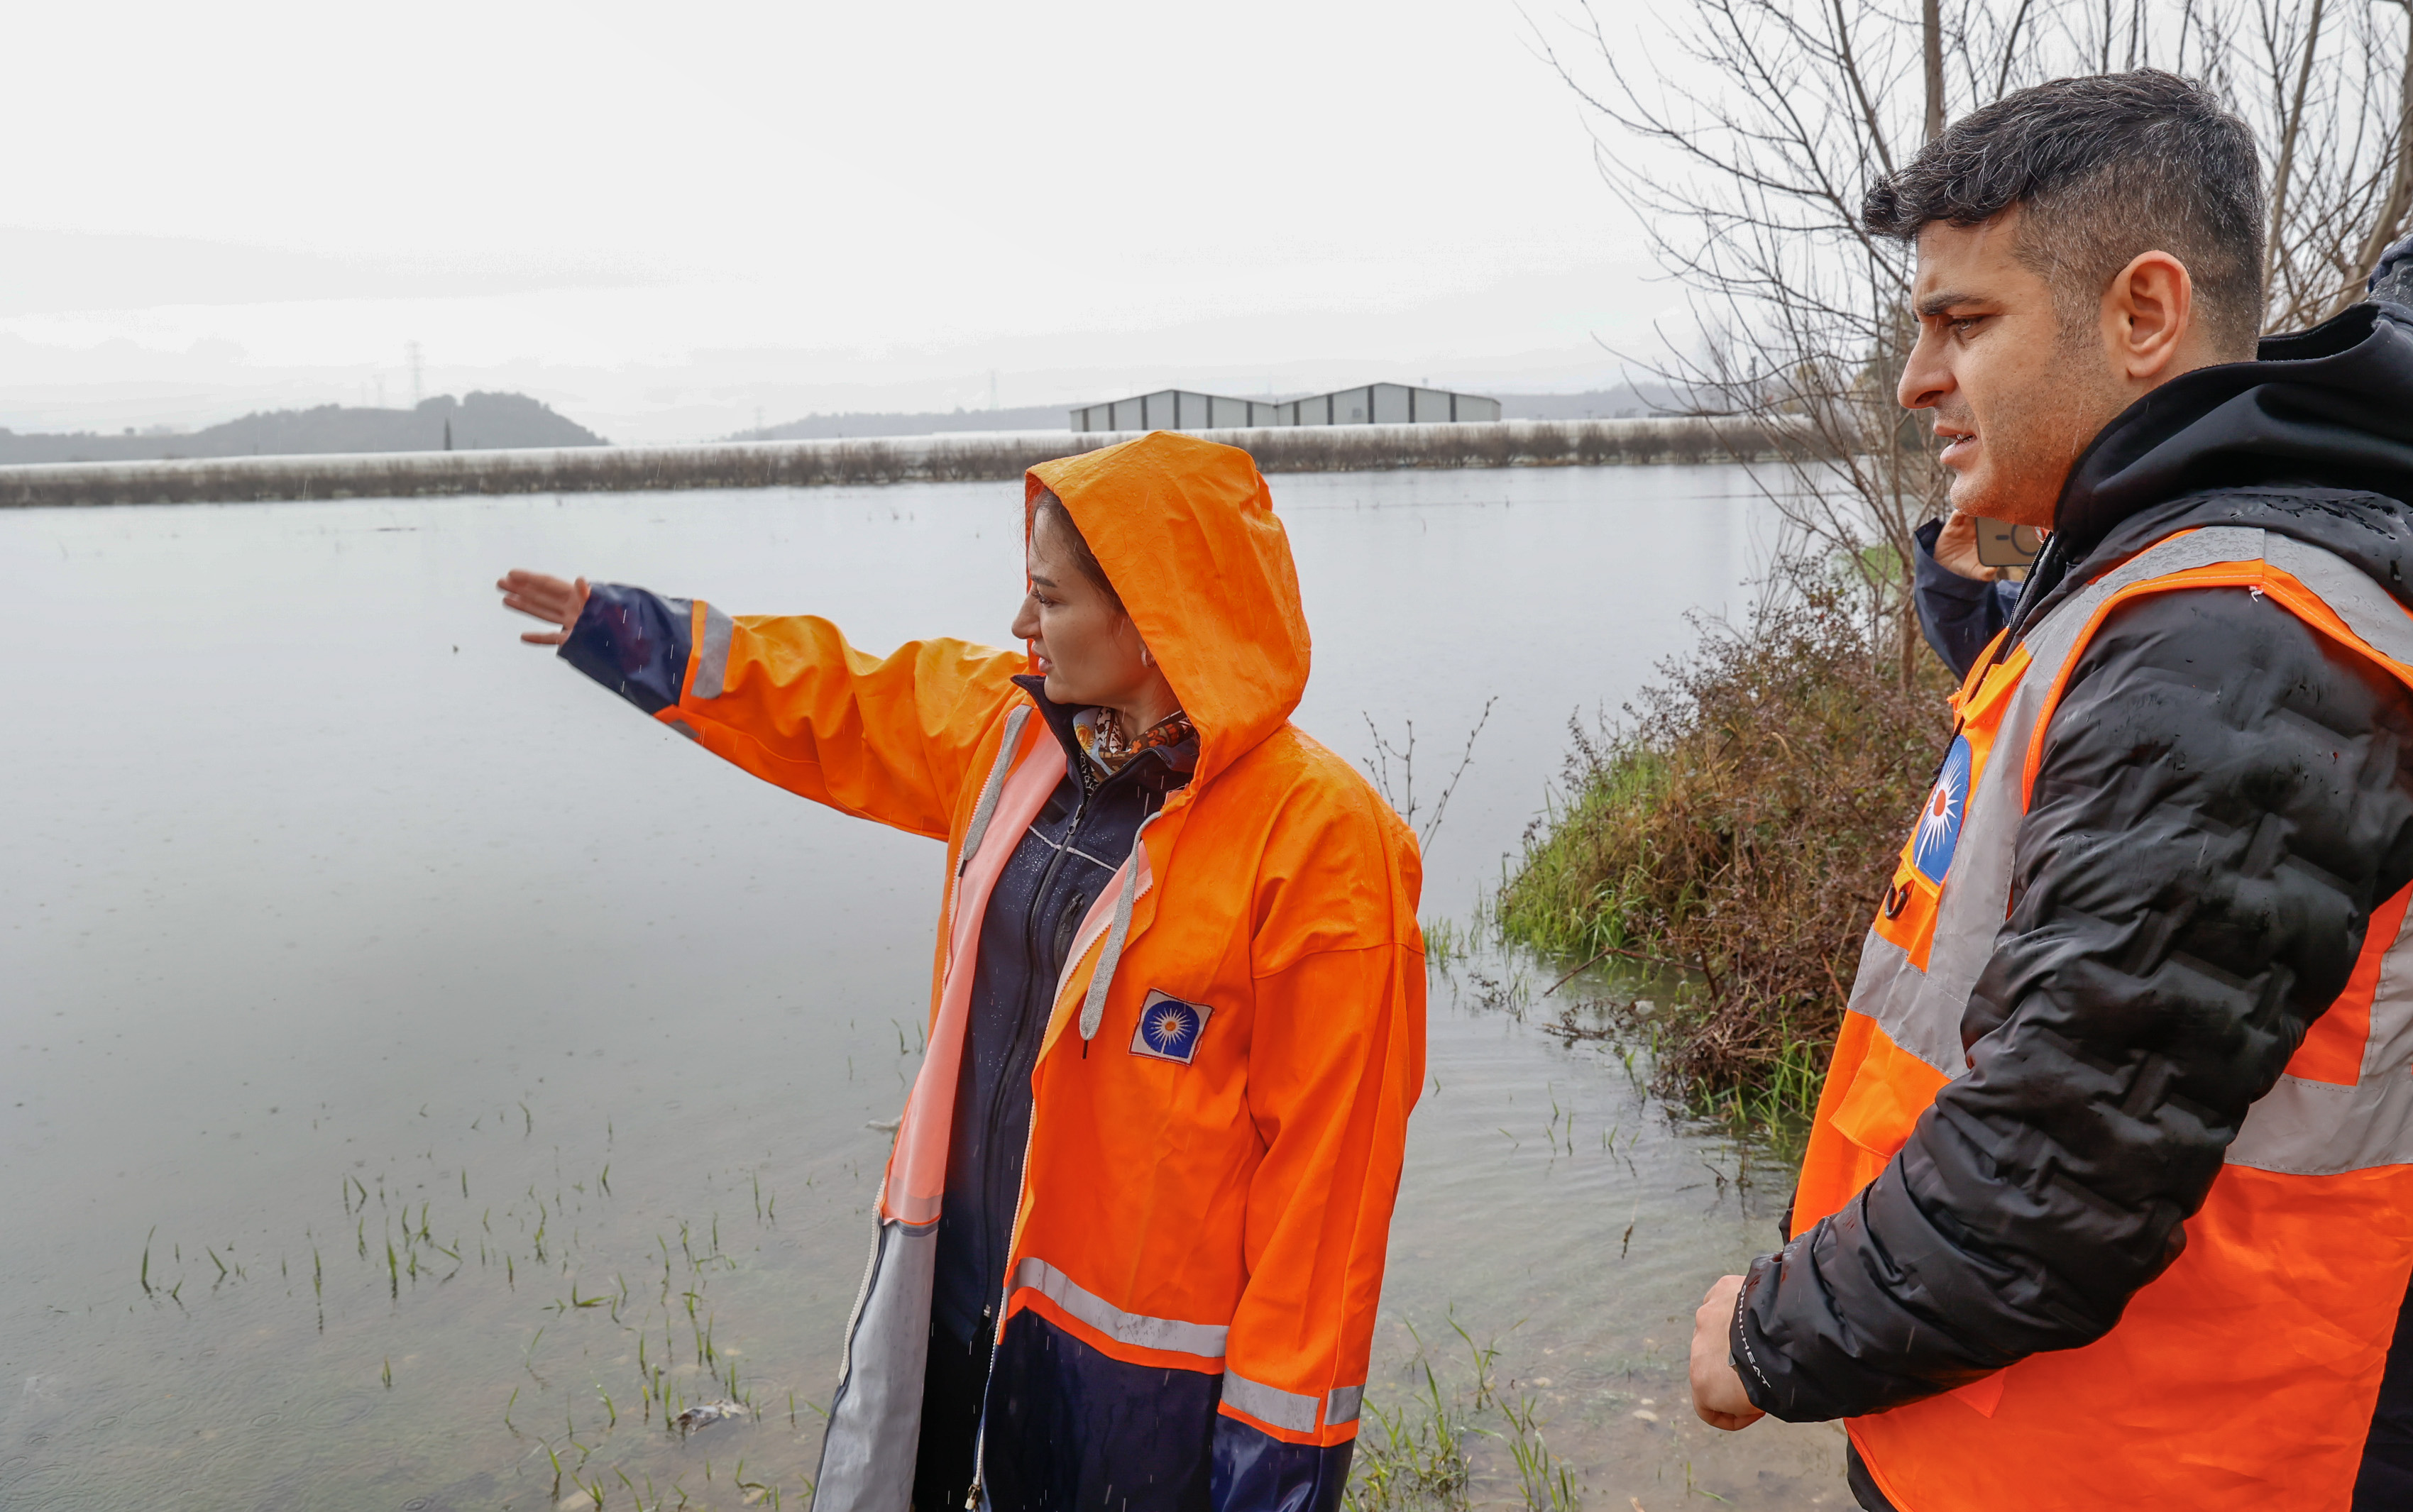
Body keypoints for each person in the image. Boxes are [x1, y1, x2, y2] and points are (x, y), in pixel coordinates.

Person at [1683, 70, 2413, 1510]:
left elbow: (2055, 1168)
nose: (1911, 382)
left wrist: (1759, 1340)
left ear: (2142, 313)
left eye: (1961, 323)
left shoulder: (2233, 634)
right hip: (2032, 1434)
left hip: (2147, 1463)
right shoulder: (2169, 583)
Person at [496, 431, 1426, 1512]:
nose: (1021, 625)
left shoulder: (1322, 842)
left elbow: (1328, 1206)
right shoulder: (1012, 731)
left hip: (1148, 1387)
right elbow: (832, 701)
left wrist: (1275, 1482)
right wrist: (625, 633)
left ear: (1152, 619)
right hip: (959, 1303)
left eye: (1050, 599)